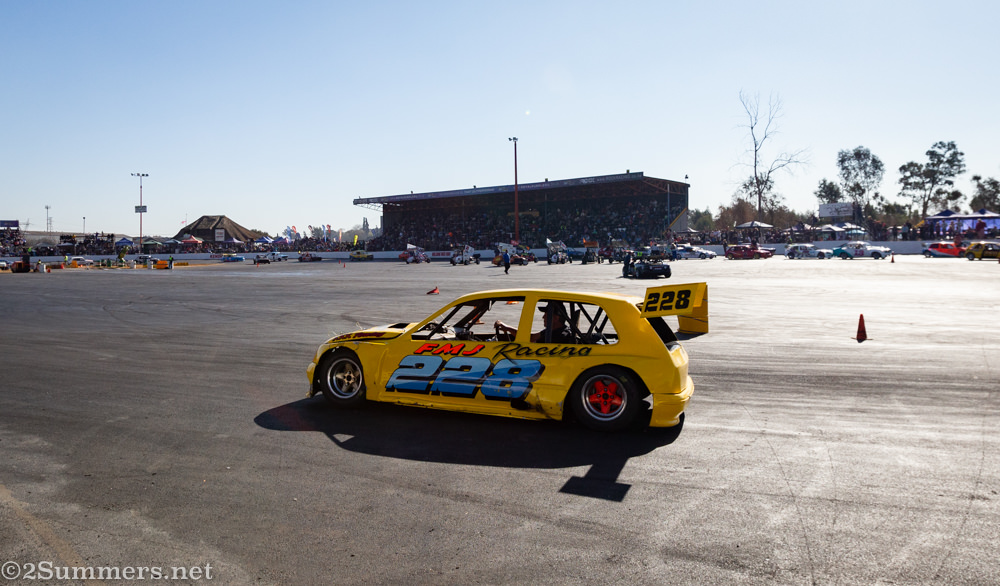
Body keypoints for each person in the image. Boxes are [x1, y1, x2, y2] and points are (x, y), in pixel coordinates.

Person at [494, 302, 576, 343]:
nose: (543, 317)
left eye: (546, 315)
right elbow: (531, 337)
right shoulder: (552, 331)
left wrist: (508, 328)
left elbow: (528, 341)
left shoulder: (557, 336)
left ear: (556, 318)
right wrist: (508, 328)